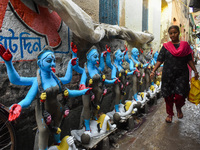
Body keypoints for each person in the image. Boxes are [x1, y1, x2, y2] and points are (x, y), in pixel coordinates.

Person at [0, 44, 90, 150]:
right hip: (42, 111)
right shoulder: (37, 82)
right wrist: (8, 63)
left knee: (58, 125)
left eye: (53, 61)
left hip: (57, 109)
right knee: (43, 131)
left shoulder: (56, 79)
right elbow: (20, 86)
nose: (52, 64)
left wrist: (83, 91)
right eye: (48, 61)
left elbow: (67, 85)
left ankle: (58, 143)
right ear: (39, 63)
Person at [150, 25, 199, 123]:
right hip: (168, 74)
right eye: (171, 33)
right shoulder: (165, 47)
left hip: (182, 74)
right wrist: (153, 70)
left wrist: (195, 71)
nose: (173, 35)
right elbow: (160, 60)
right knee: (168, 95)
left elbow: (189, 60)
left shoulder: (185, 46)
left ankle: (178, 108)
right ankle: (170, 114)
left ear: (179, 33)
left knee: (180, 96)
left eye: (175, 32)